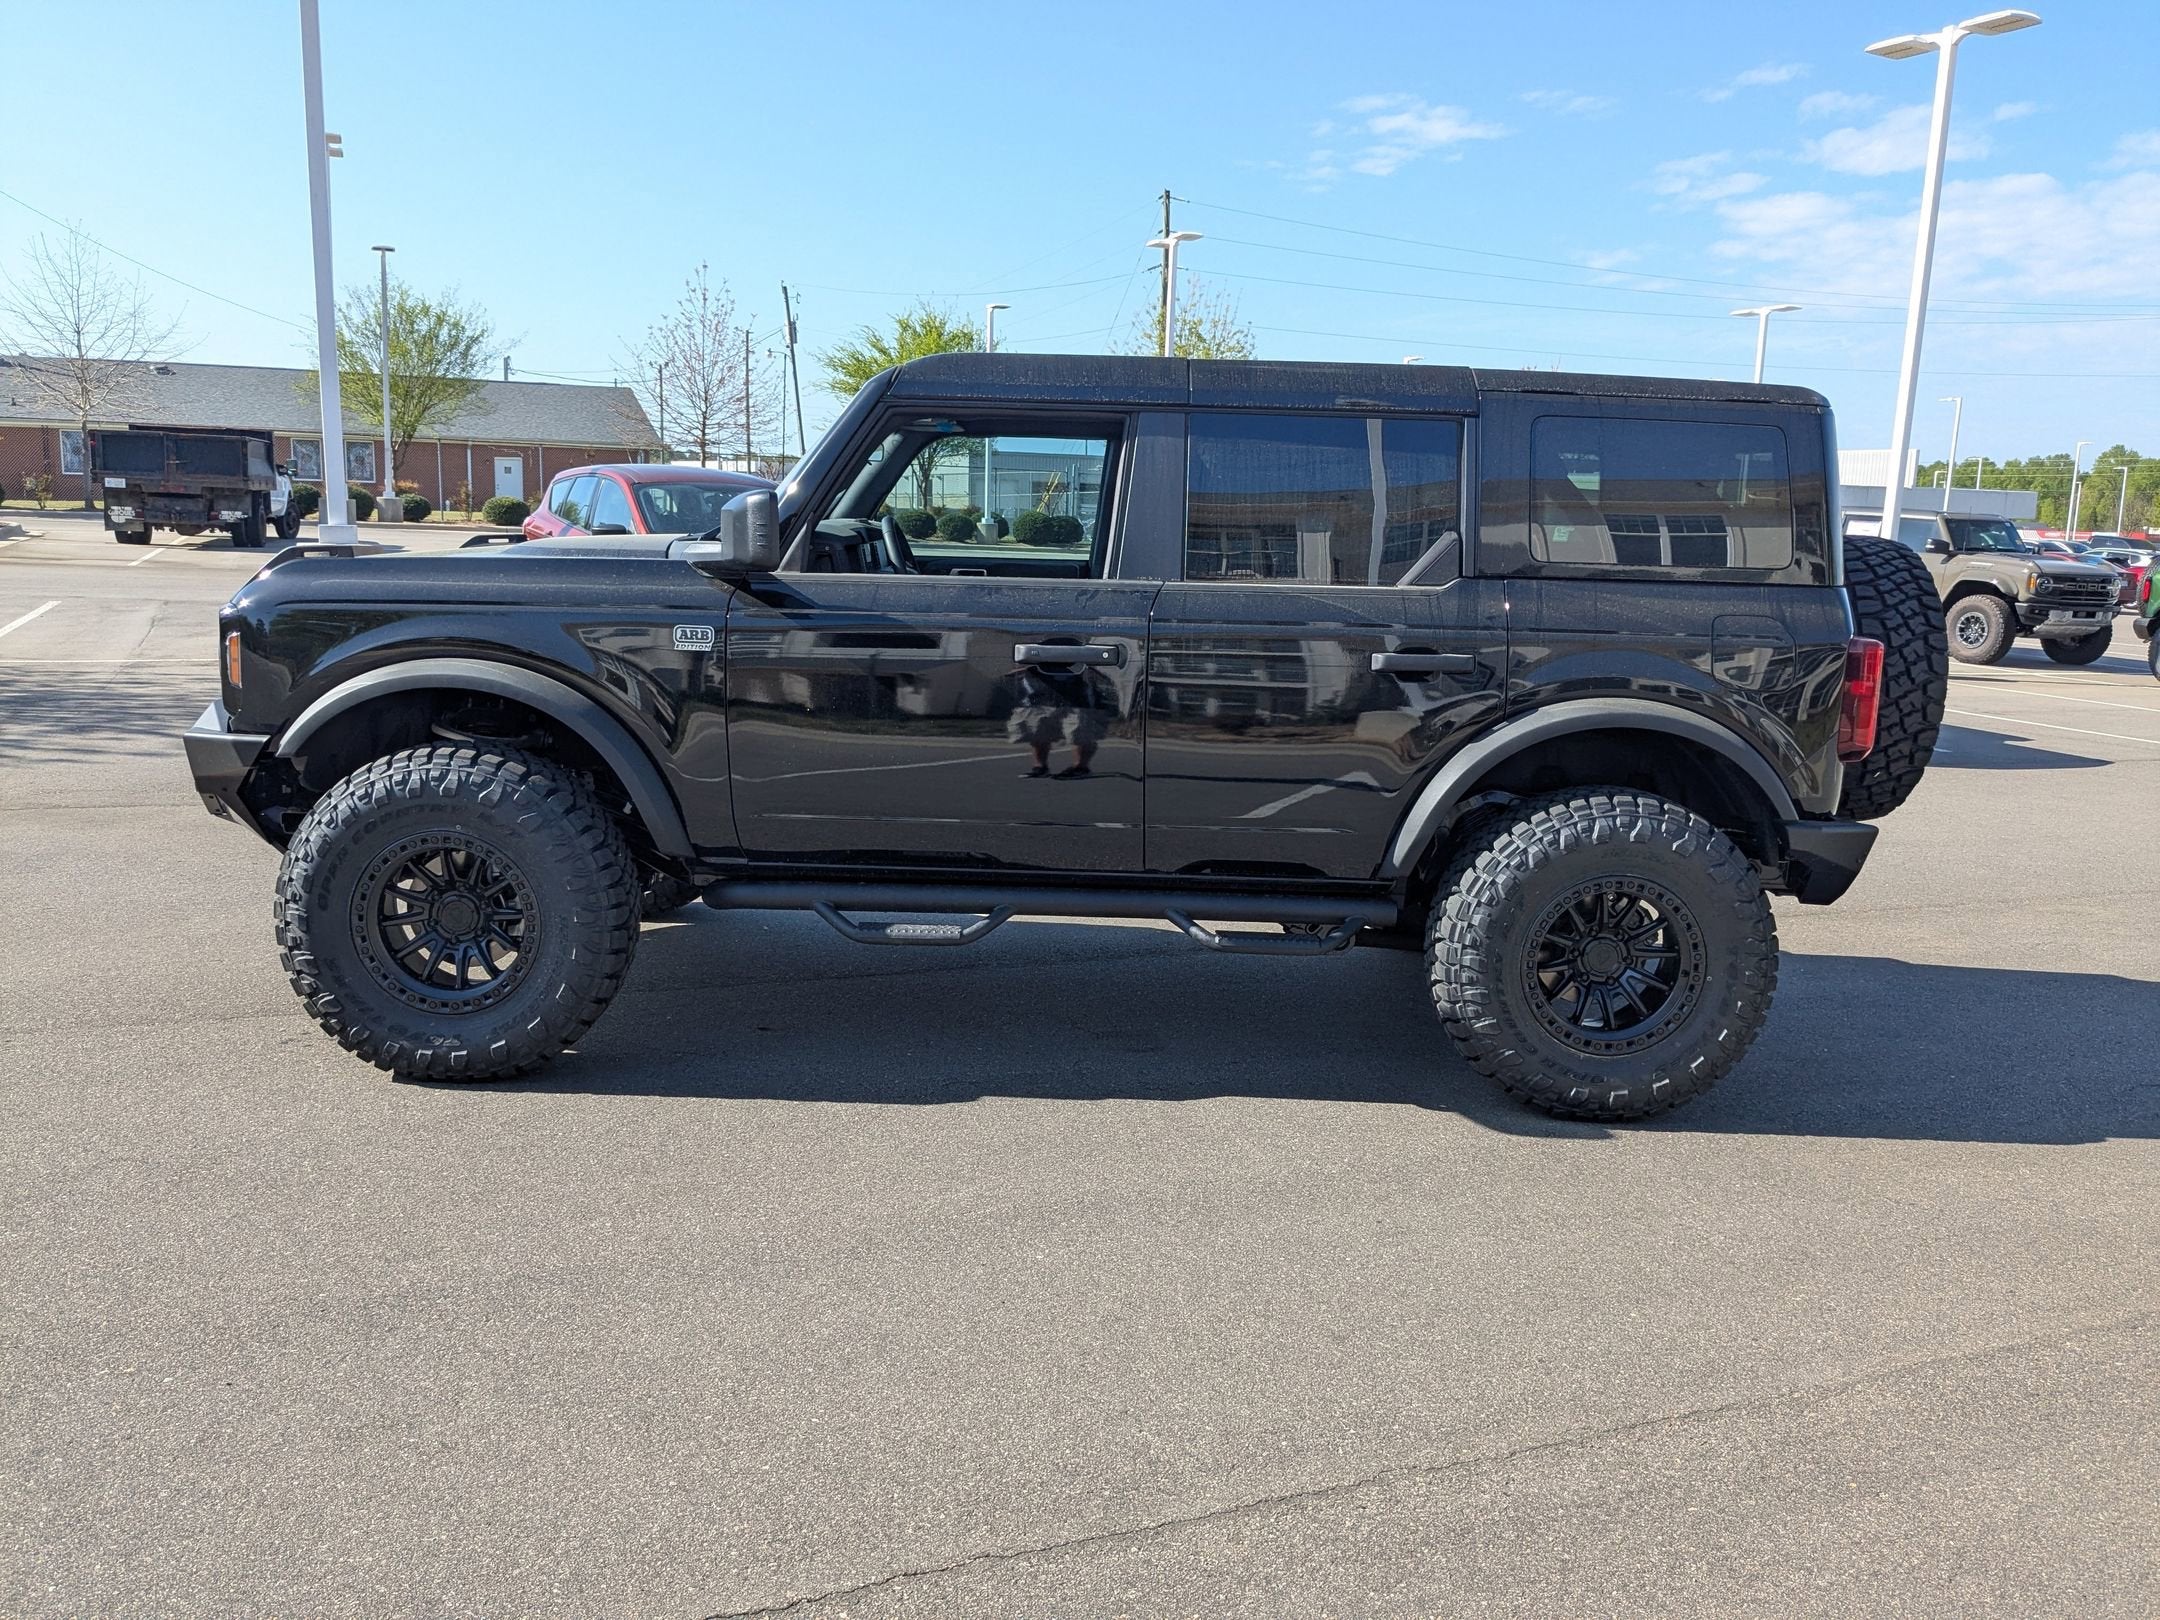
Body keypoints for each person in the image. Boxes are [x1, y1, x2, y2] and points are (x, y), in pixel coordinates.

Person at [1006, 659, 1105, 778]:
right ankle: (1040, 767)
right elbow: (1017, 667)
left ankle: (1081, 767)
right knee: (1038, 728)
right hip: (1042, 693)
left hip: (1076, 693)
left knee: (1079, 730)